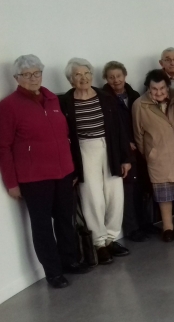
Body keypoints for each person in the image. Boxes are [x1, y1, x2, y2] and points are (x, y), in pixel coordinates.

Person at [0, 55, 91, 289]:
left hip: (63, 172)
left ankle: (70, 261)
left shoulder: (51, 98)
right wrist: (11, 182)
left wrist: (71, 170)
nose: (33, 78)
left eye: (37, 73)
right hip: (34, 177)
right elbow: (3, 146)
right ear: (16, 78)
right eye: (27, 75)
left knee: (65, 220)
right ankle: (53, 271)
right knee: (42, 226)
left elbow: (64, 136)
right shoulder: (8, 106)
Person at [59, 58, 132, 265]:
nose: (83, 78)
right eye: (78, 75)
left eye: (86, 73)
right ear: (71, 80)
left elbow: (119, 129)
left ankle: (111, 239)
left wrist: (126, 158)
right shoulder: (65, 102)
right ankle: (99, 243)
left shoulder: (105, 97)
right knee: (93, 199)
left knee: (115, 196)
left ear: (92, 75)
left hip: (109, 149)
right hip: (83, 151)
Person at [132, 70, 174, 242]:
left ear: (168, 87)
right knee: (164, 194)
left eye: (162, 88)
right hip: (159, 156)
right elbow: (138, 136)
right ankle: (168, 227)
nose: (159, 92)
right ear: (148, 88)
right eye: (154, 89)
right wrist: (150, 152)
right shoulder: (139, 105)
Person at [101, 61, 148, 242]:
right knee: (127, 191)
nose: (116, 80)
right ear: (106, 79)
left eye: (118, 76)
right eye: (111, 77)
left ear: (124, 76)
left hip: (140, 148)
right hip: (124, 151)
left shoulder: (134, 95)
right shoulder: (105, 98)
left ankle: (145, 223)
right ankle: (131, 228)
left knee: (142, 188)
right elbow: (111, 128)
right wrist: (125, 143)